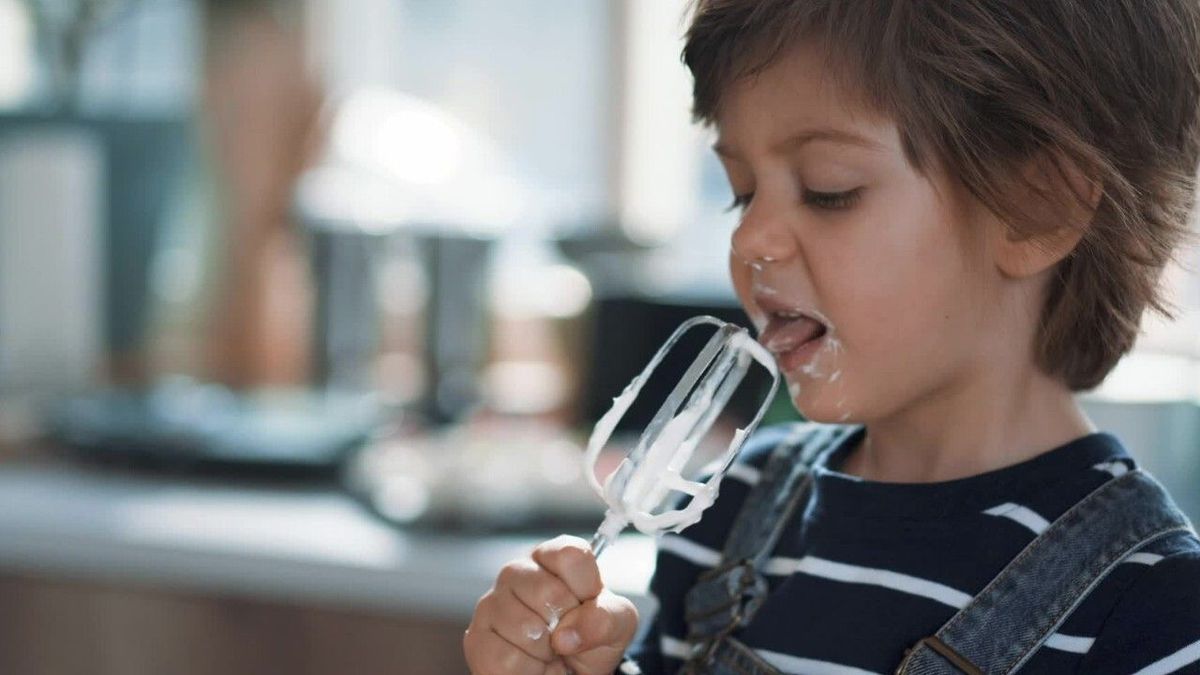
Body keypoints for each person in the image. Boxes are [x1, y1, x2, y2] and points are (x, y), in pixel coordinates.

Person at [463, 1, 1200, 673]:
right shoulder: (729, 506)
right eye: (742, 190)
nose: (750, 237)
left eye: (828, 189)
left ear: (1037, 208)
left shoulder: (1152, 610)